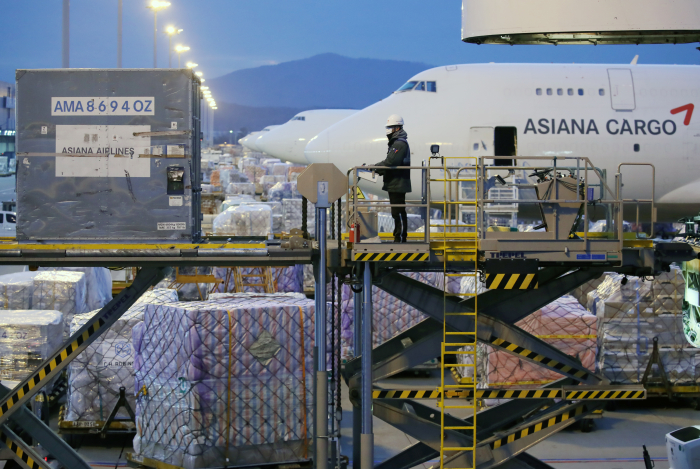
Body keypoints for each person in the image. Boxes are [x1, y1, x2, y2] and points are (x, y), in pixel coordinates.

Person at [374, 114, 411, 243]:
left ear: (397, 128)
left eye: (390, 127)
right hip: (396, 182)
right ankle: (400, 235)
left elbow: (390, 162)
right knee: (397, 210)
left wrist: (374, 167)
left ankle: (400, 237)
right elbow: (390, 162)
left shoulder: (399, 144)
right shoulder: (396, 142)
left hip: (398, 182)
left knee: (398, 211)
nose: (388, 130)